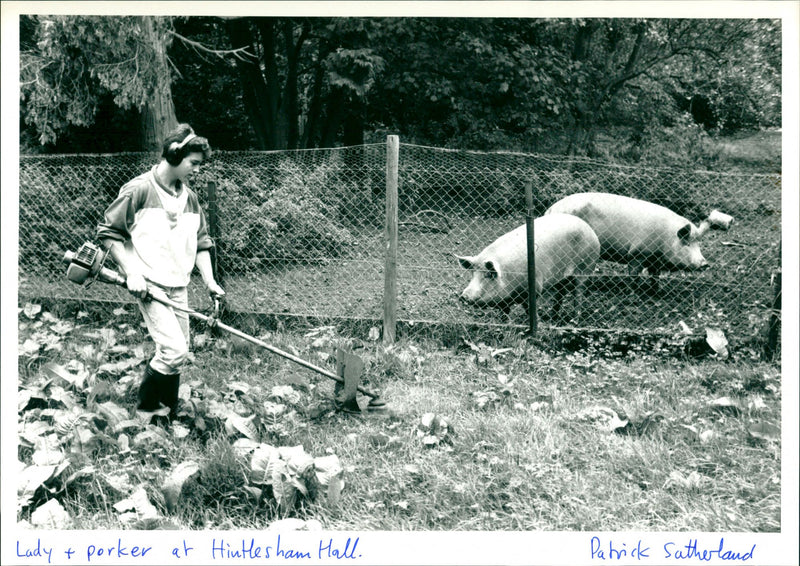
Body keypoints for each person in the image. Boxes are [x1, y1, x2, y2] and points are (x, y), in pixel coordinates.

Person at [97, 123, 225, 422]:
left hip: (178, 284)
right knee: (174, 350)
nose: (196, 170)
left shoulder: (189, 198)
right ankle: (147, 412)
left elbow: (202, 243)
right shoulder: (139, 189)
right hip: (149, 284)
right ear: (174, 154)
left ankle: (167, 412)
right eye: (193, 163)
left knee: (176, 355)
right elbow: (109, 232)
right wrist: (131, 273)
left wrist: (210, 281)